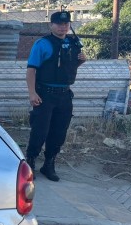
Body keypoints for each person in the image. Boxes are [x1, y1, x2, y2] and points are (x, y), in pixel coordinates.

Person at [25, 10, 87, 182]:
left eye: (66, 24)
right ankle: (30, 162)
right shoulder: (42, 44)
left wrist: (81, 60)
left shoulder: (72, 42)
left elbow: (68, 68)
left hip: (64, 95)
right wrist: (32, 93)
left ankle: (49, 164)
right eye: (59, 24)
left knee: (59, 132)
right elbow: (31, 70)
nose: (63, 27)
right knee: (40, 130)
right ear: (51, 25)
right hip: (45, 94)